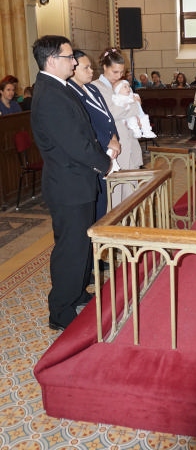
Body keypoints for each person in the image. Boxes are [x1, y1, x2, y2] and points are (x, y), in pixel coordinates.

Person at [30, 35, 111, 331]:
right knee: (70, 249)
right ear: (52, 60)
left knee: (80, 245)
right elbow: (76, 144)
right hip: (68, 186)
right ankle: (60, 310)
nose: (74, 62)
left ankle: (77, 293)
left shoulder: (59, 87)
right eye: (69, 57)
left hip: (76, 182)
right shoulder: (50, 95)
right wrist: (105, 163)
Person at [68, 50, 121, 220]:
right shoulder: (71, 93)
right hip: (93, 151)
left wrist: (114, 137)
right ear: (73, 69)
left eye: (91, 67)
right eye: (86, 68)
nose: (91, 71)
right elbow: (86, 123)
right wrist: (107, 141)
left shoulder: (92, 88)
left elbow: (107, 116)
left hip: (106, 150)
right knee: (95, 206)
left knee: (103, 200)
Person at [91, 48, 144, 203]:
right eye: (115, 72)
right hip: (114, 146)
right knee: (116, 195)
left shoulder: (122, 84)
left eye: (121, 72)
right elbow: (113, 112)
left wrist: (136, 115)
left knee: (131, 194)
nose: (118, 76)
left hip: (129, 142)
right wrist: (135, 105)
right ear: (105, 67)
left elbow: (128, 110)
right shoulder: (96, 87)